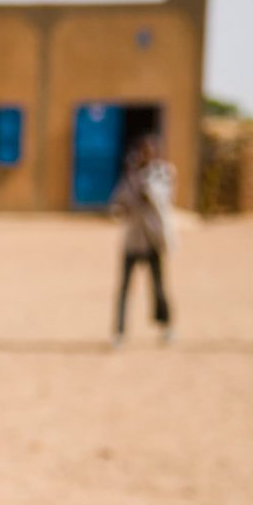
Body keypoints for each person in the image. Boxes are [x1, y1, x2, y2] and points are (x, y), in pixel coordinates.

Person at [109, 131, 174, 346]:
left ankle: (166, 327)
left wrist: (144, 186)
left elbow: (160, 199)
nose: (145, 154)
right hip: (133, 240)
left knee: (158, 287)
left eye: (149, 150)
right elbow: (119, 201)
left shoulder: (163, 173)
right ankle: (119, 331)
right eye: (142, 150)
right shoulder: (130, 176)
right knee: (124, 289)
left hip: (153, 239)